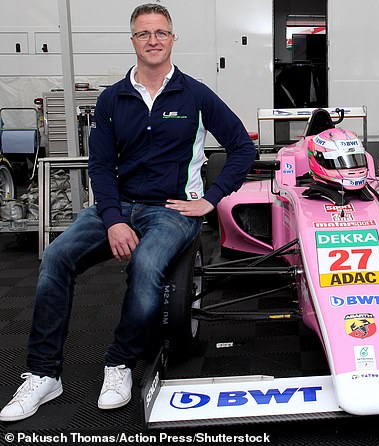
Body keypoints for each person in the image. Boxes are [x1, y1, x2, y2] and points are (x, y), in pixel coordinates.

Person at [0, 3, 256, 422]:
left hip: (173, 210)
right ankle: (44, 374)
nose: (152, 40)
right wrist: (114, 219)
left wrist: (211, 199)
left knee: (145, 265)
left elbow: (242, 147)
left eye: (160, 33)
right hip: (117, 206)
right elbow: (99, 167)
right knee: (56, 259)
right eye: (143, 34)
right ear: (133, 40)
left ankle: (118, 362)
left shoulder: (195, 94)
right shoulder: (112, 99)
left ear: (172, 38)